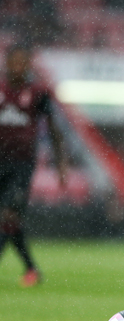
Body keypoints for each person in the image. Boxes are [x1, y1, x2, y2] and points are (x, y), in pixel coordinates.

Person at [0, 44, 67, 287]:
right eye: (14, 62)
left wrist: (61, 164)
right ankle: (31, 269)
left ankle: (30, 269)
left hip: (21, 165)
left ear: (29, 65)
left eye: (23, 62)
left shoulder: (38, 93)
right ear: (6, 63)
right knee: (10, 222)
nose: (18, 67)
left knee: (9, 214)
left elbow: (54, 129)